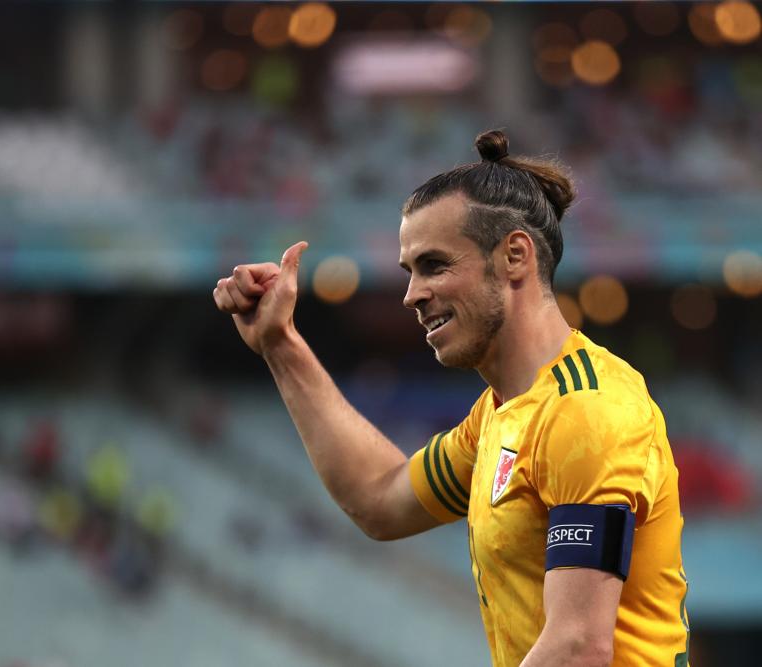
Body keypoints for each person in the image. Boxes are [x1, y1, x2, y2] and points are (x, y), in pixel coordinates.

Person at [212, 129, 689, 667]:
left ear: (514, 256)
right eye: (409, 271)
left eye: (434, 265)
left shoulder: (586, 410)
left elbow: (579, 647)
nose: (412, 295)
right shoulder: (499, 416)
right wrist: (281, 344)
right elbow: (380, 498)